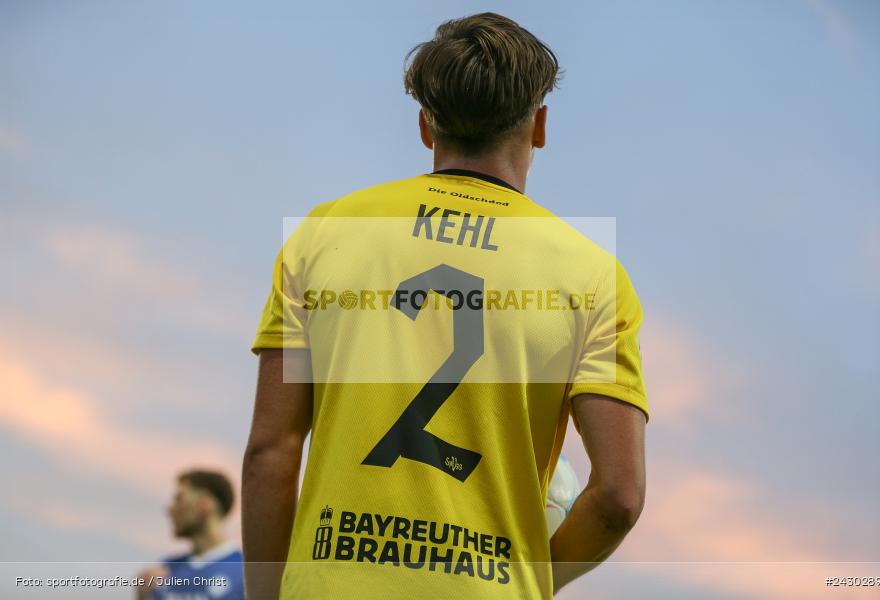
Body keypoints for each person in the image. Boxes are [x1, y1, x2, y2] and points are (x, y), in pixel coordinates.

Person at [243, 12, 647, 599]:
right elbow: (618, 497)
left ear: (426, 125)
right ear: (538, 125)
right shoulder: (593, 274)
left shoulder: (326, 231)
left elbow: (270, 452)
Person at [137, 469, 244, 600]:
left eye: (179, 499)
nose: (170, 509)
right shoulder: (164, 571)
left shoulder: (247, 574)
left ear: (205, 504)